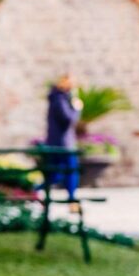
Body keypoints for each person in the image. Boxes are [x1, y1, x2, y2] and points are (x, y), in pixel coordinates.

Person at [44, 73, 83, 201]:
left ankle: (34, 192)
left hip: (57, 142)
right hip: (63, 144)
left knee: (56, 173)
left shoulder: (57, 99)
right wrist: (77, 109)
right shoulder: (60, 100)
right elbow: (68, 119)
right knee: (69, 172)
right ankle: (71, 198)